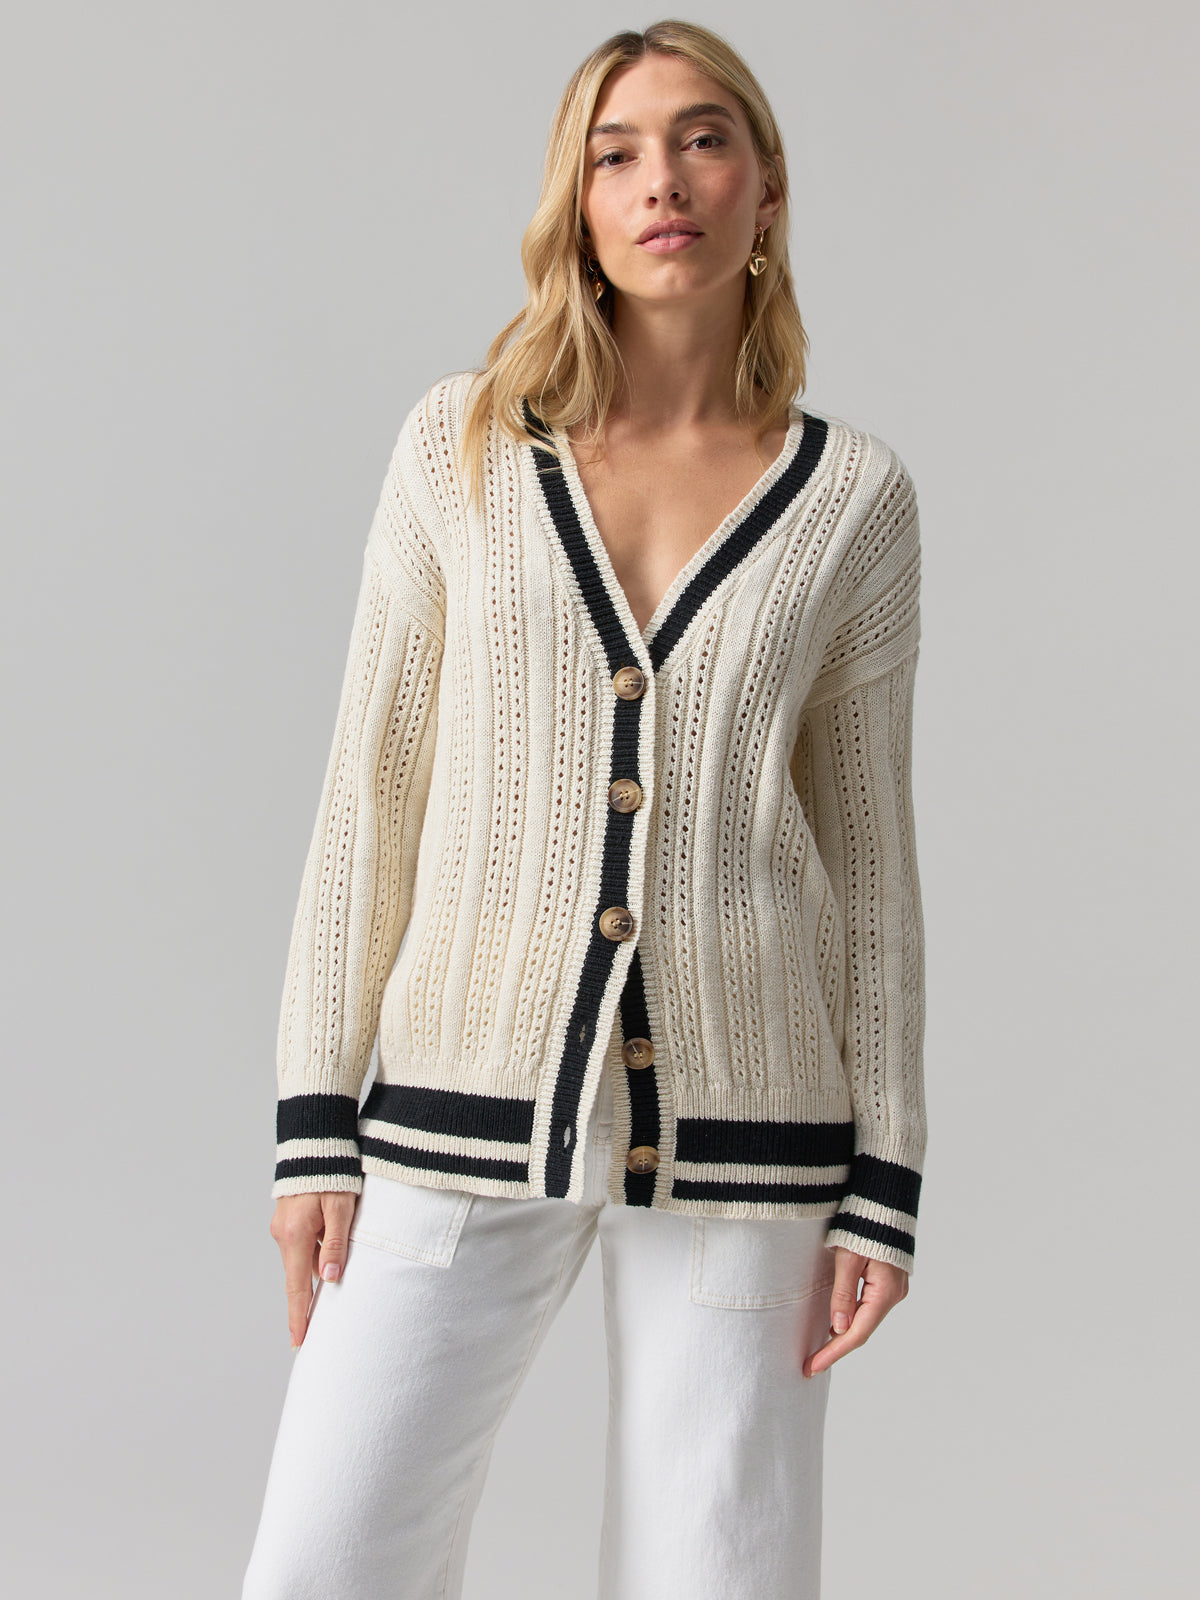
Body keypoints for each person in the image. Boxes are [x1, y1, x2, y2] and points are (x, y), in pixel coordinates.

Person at [242, 19, 928, 1600]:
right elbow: (368, 794)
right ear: (577, 203)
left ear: (767, 189)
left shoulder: (854, 500)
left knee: (718, 1574)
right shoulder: (463, 448)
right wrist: (312, 1126)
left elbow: (874, 861)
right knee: (325, 1564)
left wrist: (884, 1177)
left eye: (702, 140)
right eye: (615, 154)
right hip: (453, 1098)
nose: (661, 181)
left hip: (755, 1127)